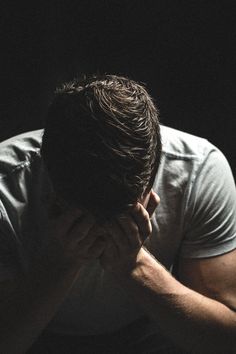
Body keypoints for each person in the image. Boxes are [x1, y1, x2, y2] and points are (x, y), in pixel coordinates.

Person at [0, 74, 235, 354]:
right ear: (47, 173)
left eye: (122, 213)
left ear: (154, 173)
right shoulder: (6, 186)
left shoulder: (199, 171)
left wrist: (135, 267)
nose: (101, 230)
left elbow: (225, 340)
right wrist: (61, 260)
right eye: (84, 213)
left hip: (153, 330)